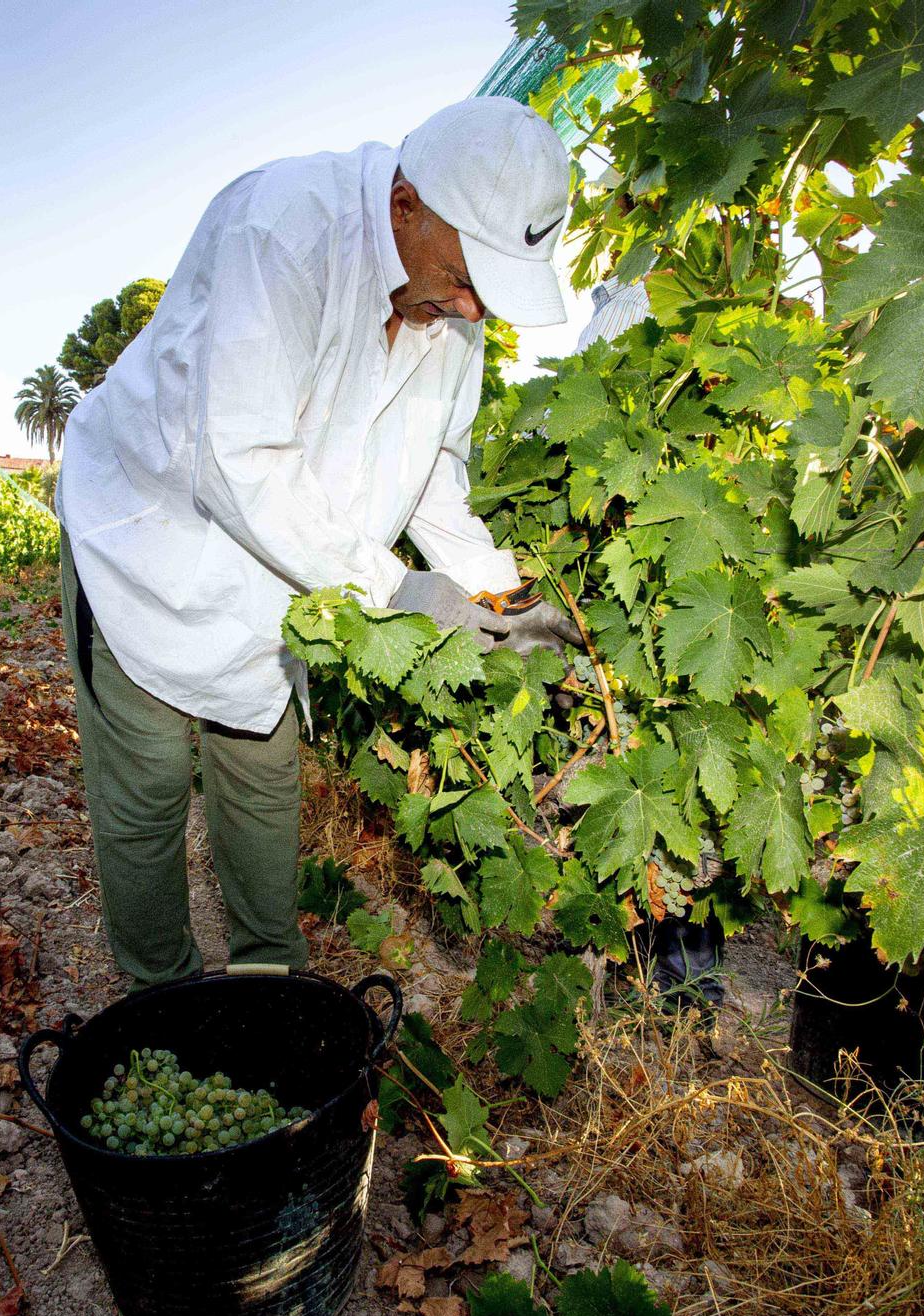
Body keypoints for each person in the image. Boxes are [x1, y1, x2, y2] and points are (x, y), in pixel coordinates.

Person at [57, 97, 582, 989]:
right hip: (152, 543)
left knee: (261, 789)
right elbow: (241, 461)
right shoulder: (286, 229)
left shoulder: (453, 310)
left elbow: (435, 476)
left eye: (485, 289)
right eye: (463, 276)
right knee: (145, 794)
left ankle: (271, 993)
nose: (470, 305)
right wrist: (397, 591)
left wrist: (504, 595)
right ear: (406, 203)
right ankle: (162, 1001)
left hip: (291, 568)